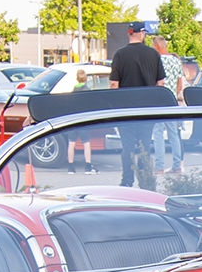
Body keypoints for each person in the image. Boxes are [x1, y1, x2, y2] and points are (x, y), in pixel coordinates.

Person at [109, 20, 165, 187]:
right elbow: (160, 83)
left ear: (129, 33)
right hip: (146, 111)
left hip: (125, 111)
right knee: (144, 146)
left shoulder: (119, 55)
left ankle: (127, 180)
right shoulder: (153, 55)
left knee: (127, 148)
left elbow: (113, 84)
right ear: (142, 34)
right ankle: (145, 180)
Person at [151, 36, 185, 174]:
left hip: (159, 100)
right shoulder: (176, 61)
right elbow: (179, 83)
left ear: (157, 46)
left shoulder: (156, 61)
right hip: (172, 100)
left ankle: (159, 166)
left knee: (158, 132)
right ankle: (177, 165)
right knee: (173, 134)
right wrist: (175, 93)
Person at [66, 68, 97, 174]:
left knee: (71, 143)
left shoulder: (74, 90)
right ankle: (88, 166)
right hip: (83, 120)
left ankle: (71, 167)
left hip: (73, 120)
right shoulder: (87, 90)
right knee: (86, 143)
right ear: (85, 78)